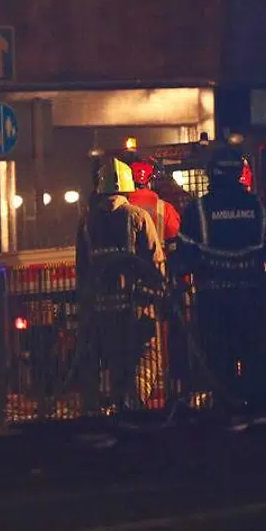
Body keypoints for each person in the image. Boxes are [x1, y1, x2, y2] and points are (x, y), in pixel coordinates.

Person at [176, 146, 266, 412]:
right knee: (257, 354)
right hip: (254, 297)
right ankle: (263, 412)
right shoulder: (259, 208)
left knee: (219, 360)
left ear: (212, 173)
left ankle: (227, 411)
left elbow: (185, 256)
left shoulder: (197, 211)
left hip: (214, 300)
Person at [75, 157, 164, 411]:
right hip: (135, 307)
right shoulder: (138, 217)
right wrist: (159, 296)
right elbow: (155, 264)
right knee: (148, 356)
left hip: (103, 309)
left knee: (116, 362)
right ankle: (132, 403)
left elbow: (82, 269)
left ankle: (115, 414)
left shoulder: (87, 223)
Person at [127, 158, 182, 255]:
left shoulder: (120, 207)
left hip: (127, 266)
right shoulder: (165, 208)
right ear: (149, 183)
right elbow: (175, 241)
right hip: (157, 265)